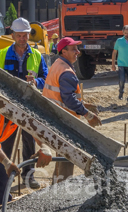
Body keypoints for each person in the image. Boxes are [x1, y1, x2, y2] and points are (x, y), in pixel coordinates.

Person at [0, 17, 48, 190]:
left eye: (25, 35)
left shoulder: (37, 55)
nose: (22, 39)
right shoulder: (3, 54)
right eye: (19, 36)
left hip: (28, 105)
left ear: (28, 35)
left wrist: (35, 83)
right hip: (9, 105)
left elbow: (45, 78)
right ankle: (5, 177)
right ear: (13, 36)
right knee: (7, 141)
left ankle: (28, 175)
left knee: (29, 141)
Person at [43, 37, 102, 184]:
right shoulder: (66, 71)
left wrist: (83, 104)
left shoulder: (58, 64)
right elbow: (68, 100)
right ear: (64, 51)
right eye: (73, 49)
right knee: (67, 157)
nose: (78, 52)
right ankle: (63, 190)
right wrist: (88, 115)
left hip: (54, 115)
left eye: (77, 48)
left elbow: (62, 96)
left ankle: (56, 185)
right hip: (65, 121)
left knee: (61, 154)